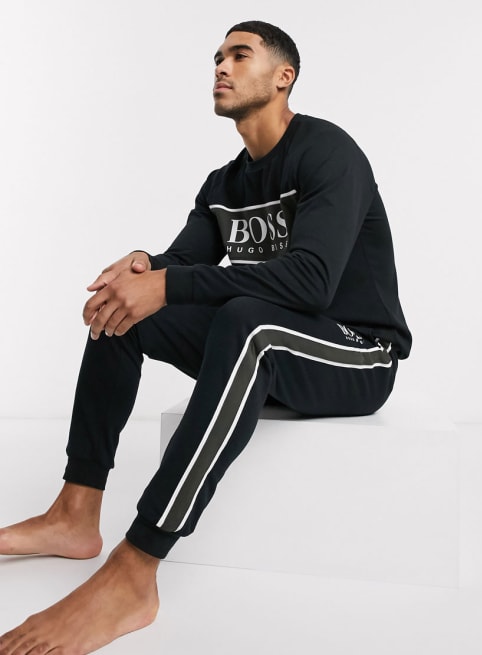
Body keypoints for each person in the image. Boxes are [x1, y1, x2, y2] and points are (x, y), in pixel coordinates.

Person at [0, 20, 411, 655]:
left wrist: (169, 283)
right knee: (124, 312)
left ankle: (137, 568)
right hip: (277, 345)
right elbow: (183, 266)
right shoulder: (223, 184)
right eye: (217, 57)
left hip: (357, 353)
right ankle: (75, 513)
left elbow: (311, 282)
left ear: (284, 76)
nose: (221, 66)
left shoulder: (328, 152)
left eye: (239, 55)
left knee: (249, 320)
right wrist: (144, 268)